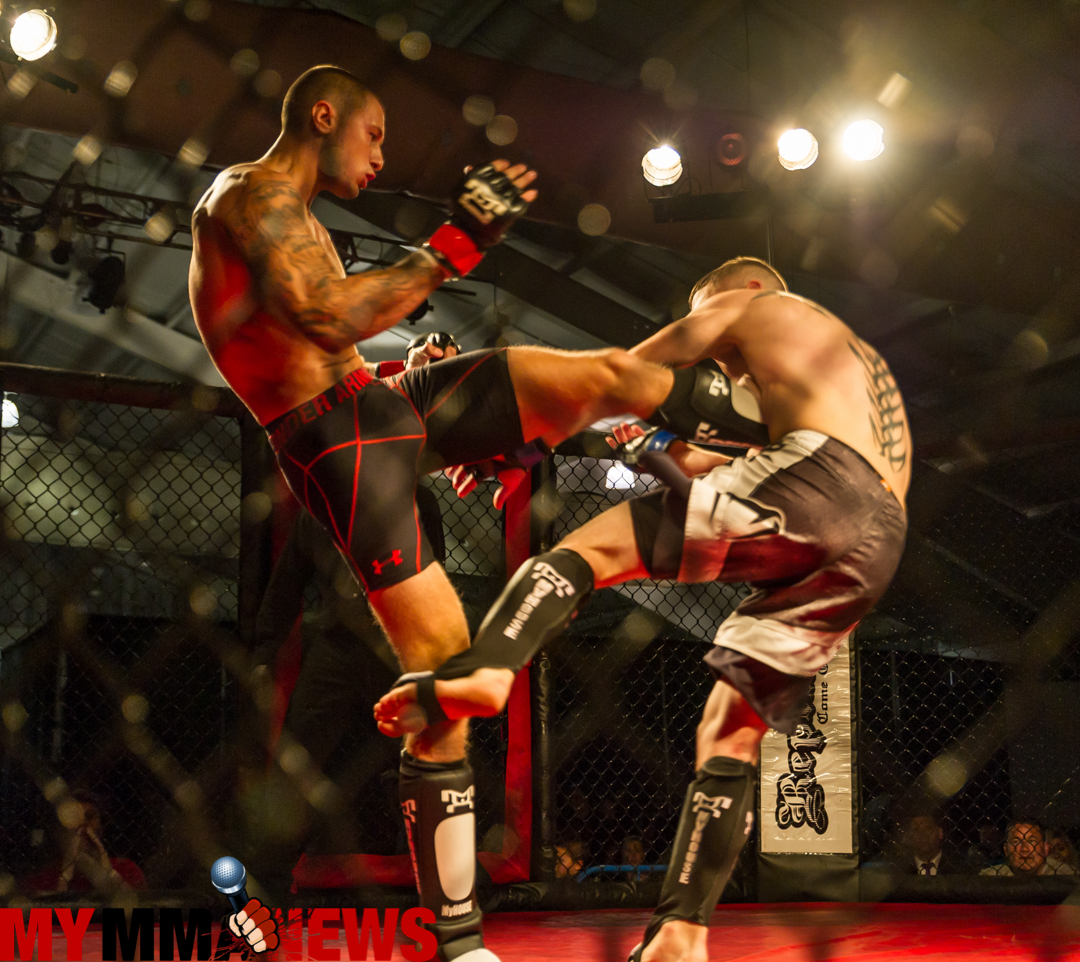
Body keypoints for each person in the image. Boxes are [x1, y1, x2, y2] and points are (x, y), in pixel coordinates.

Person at [189, 63, 746, 962]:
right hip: (335, 442)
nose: (381, 156)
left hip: (380, 402)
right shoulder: (246, 195)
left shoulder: (298, 218)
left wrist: (492, 435)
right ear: (323, 116)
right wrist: (453, 243)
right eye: (374, 134)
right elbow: (328, 319)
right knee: (449, 680)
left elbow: (339, 344)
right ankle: (456, 940)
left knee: (599, 374)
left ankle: (757, 420)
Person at [375, 256, 910, 962]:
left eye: (705, 312)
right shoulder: (842, 371)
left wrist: (528, 439)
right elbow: (705, 473)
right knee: (730, 732)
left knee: (584, 552)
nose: (716, 350)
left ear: (746, 291)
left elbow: (627, 371)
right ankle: (681, 934)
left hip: (817, 475)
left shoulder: (758, 307)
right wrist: (654, 449)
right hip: (876, 542)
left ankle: (489, 667)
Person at [980, 819, 1076, 877]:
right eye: (1016, 842)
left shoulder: (1068, 874)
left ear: (1045, 848)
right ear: (1006, 850)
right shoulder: (989, 876)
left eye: (1031, 841)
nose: (1024, 849)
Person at [893, 812, 968, 876]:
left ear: (940, 833)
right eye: (916, 830)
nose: (922, 835)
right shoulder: (898, 869)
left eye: (928, 829)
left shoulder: (959, 867)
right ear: (910, 836)